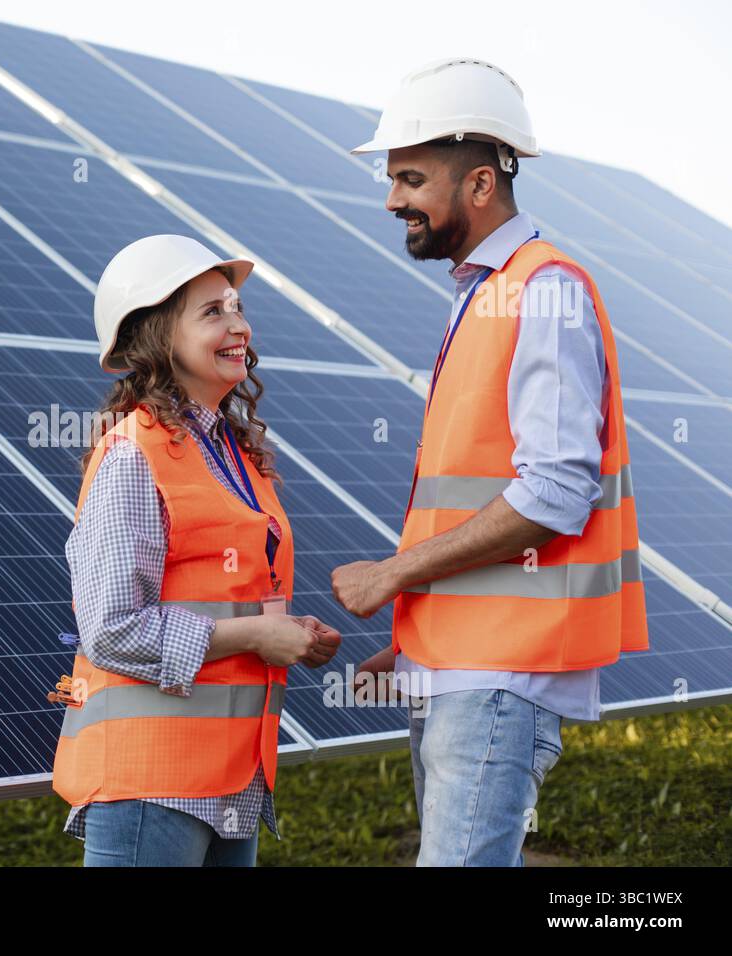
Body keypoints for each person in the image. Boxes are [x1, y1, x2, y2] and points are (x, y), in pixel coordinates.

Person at [332, 58, 649, 866]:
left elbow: (553, 493)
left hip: (503, 674)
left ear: (479, 185)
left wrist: (394, 575)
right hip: (466, 663)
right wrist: (421, 628)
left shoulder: (543, 290)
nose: (392, 199)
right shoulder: (488, 291)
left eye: (409, 177)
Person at [49, 234, 342, 867]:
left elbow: (227, 595)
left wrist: (283, 629)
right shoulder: (133, 454)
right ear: (158, 336)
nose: (240, 324)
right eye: (213, 312)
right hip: (152, 784)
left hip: (232, 779)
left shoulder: (231, 451)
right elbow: (110, 628)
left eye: (236, 306)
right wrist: (258, 637)